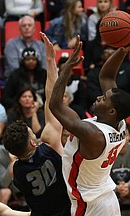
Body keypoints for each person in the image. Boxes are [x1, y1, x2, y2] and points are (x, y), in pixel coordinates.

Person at [49, 34, 130, 215]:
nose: (99, 97)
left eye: (103, 99)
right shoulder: (120, 123)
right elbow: (107, 75)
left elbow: (55, 105)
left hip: (90, 203)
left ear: (112, 111)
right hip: (105, 197)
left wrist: (67, 67)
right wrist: (124, 48)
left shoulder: (93, 134)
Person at [2, 32, 71, 215]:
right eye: (32, 132)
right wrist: (50, 60)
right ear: (34, 142)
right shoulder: (50, 144)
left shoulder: (16, 170)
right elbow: (52, 99)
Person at [86, 45, 130, 113]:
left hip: (123, 105)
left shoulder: (126, 69)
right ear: (101, 55)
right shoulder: (94, 72)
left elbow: (107, 78)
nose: (109, 53)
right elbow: (93, 94)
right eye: (106, 51)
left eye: (112, 51)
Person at [110, 126, 130, 215]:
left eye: (124, 136)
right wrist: (116, 188)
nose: (122, 139)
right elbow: (103, 177)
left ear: (129, 137)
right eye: (119, 137)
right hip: (112, 191)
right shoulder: (109, 152)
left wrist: (128, 186)